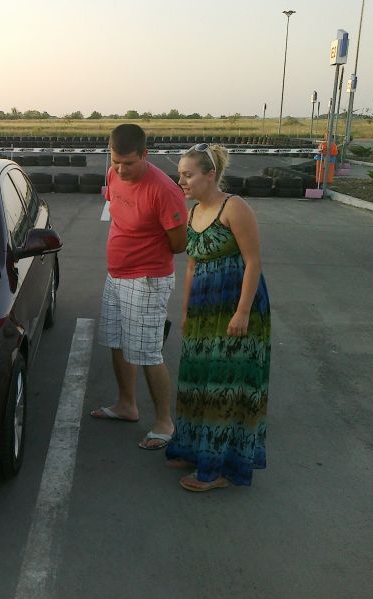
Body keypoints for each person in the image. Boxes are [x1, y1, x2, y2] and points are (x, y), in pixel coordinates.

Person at [166, 143, 271, 491]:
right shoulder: (194, 211)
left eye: (188, 174)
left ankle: (221, 468)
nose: (181, 181)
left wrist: (242, 312)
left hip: (236, 306)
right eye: (180, 175)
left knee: (226, 384)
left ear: (210, 175)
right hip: (204, 308)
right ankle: (193, 448)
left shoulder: (234, 207)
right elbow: (192, 265)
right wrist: (186, 311)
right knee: (198, 377)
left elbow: (253, 262)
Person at [91, 124, 188, 451]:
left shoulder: (163, 191)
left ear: (145, 154)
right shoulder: (114, 175)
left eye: (129, 163)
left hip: (146, 280)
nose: (120, 169)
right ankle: (126, 405)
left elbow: (179, 244)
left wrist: (143, 252)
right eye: (116, 161)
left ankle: (164, 422)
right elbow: (118, 215)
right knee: (117, 342)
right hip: (116, 274)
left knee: (146, 352)